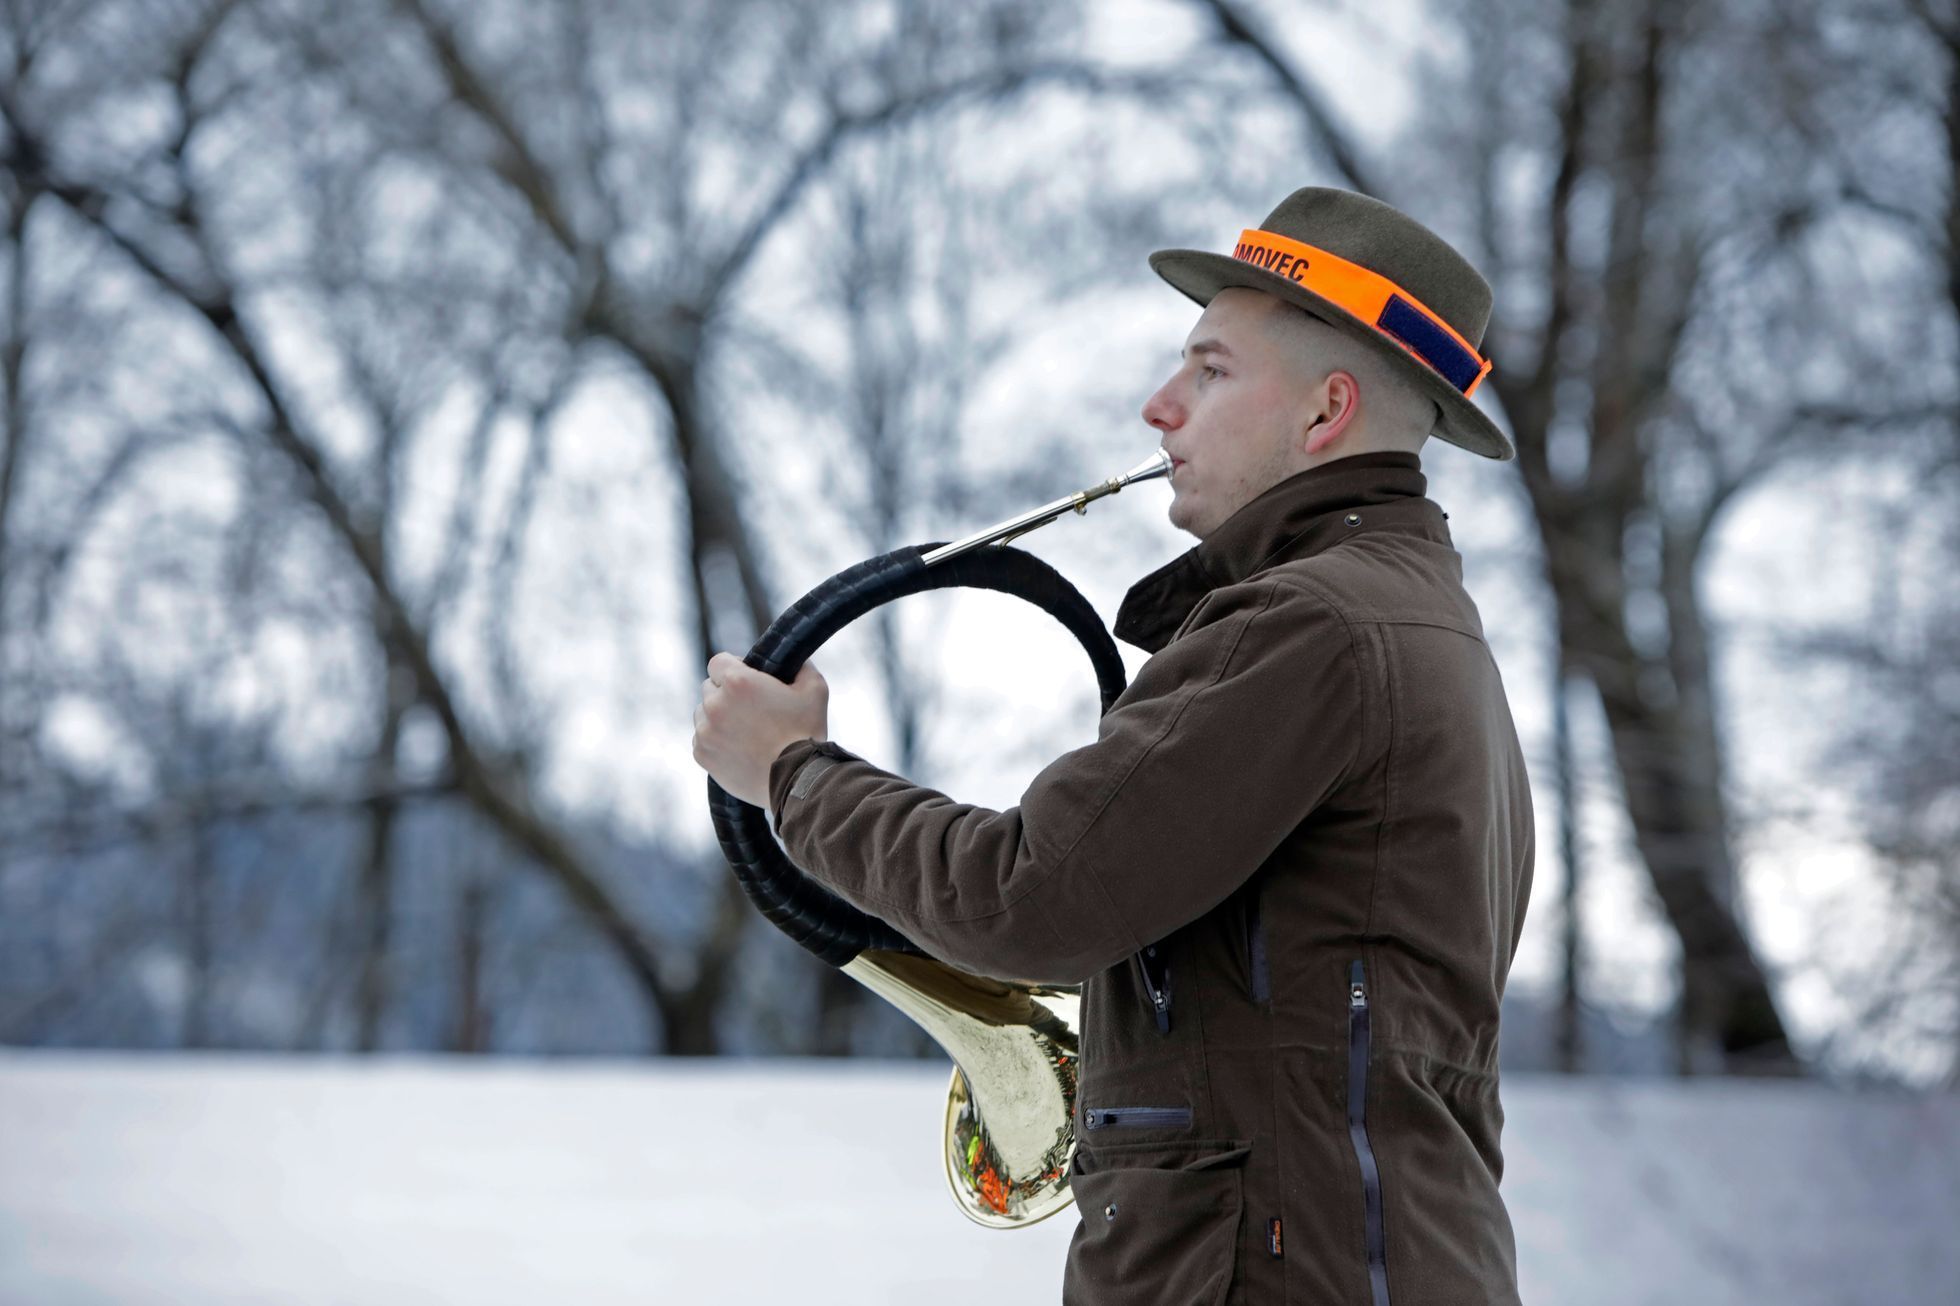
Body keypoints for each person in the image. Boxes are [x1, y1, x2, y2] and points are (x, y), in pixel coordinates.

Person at [692, 187, 1535, 1306]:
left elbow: (1027, 899)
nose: (1157, 407)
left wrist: (792, 774)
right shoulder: (1410, 623)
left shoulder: (1310, 626)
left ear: (1325, 411)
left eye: (1210, 370)